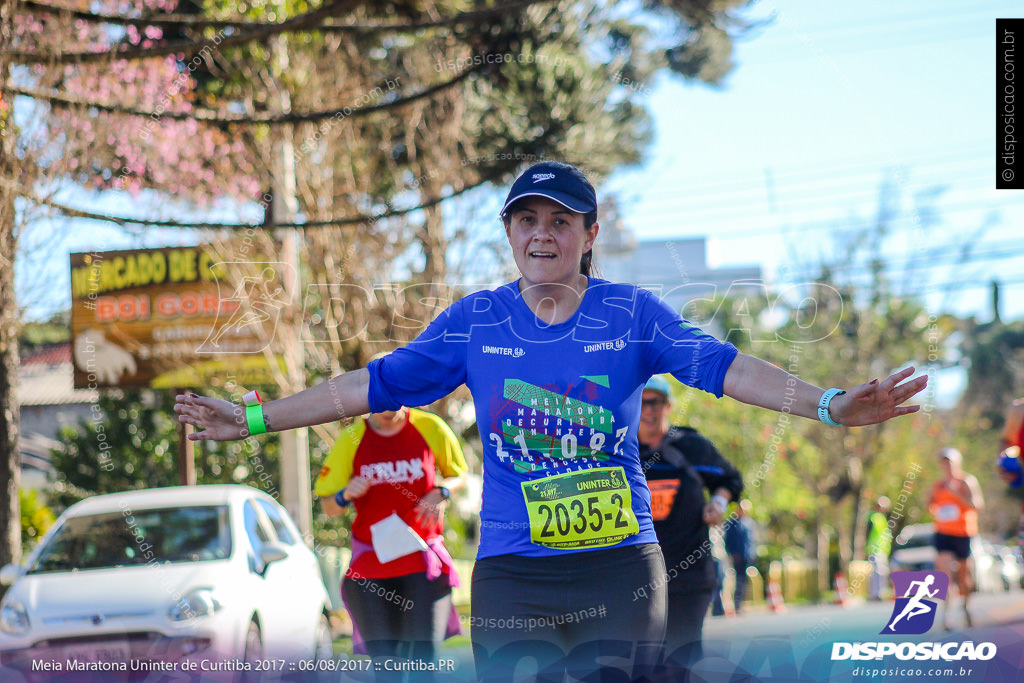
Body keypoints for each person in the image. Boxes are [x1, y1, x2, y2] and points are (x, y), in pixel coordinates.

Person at [174, 161, 928, 681]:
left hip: (619, 565)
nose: (542, 233)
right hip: (511, 574)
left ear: (590, 233)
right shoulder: (476, 321)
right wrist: (252, 417)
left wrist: (827, 403)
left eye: (560, 220)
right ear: (508, 234)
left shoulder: (631, 313)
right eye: (525, 219)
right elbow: (366, 387)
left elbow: (726, 367)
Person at [314, 406, 467, 677]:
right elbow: (329, 507)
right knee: (387, 670)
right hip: (371, 571)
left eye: (395, 399)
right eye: (379, 401)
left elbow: (459, 475)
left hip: (423, 567)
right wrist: (345, 494)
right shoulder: (352, 438)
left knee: (424, 666)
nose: (388, 408)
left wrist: (441, 491)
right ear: (366, 400)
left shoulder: (430, 427)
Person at [637, 375, 742, 667]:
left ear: (668, 406)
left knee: (681, 657)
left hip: (688, 571)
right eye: (641, 402)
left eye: (655, 402)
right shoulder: (619, 450)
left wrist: (719, 502)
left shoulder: (691, 446)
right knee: (638, 659)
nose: (648, 410)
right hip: (633, 576)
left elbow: (730, 480)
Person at [928, 447, 983, 630]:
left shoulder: (966, 481)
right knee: (944, 574)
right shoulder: (938, 484)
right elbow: (930, 504)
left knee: (964, 576)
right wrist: (935, 509)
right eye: (943, 462)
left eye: (949, 461)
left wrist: (955, 493)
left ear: (957, 463)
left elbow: (977, 505)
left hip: (964, 533)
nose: (947, 465)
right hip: (943, 533)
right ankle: (947, 615)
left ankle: (967, 606)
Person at [723, 499, 756, 613]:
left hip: (747, 555)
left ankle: (742, 603)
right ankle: (737, 604)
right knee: (739, 580)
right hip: (737, 556)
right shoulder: (731, 524)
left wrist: (752, 553)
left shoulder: (749, 523)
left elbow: (751, 540)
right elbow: (728, 541)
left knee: (744, 580)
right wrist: (732, 553)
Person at [865, 496, 892, 601]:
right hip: (875, 550)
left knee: (881, 572)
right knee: (877, 572)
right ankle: (876, 594)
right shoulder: (874, 517)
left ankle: (880, 592)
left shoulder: (881, 518)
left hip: (881, 550)